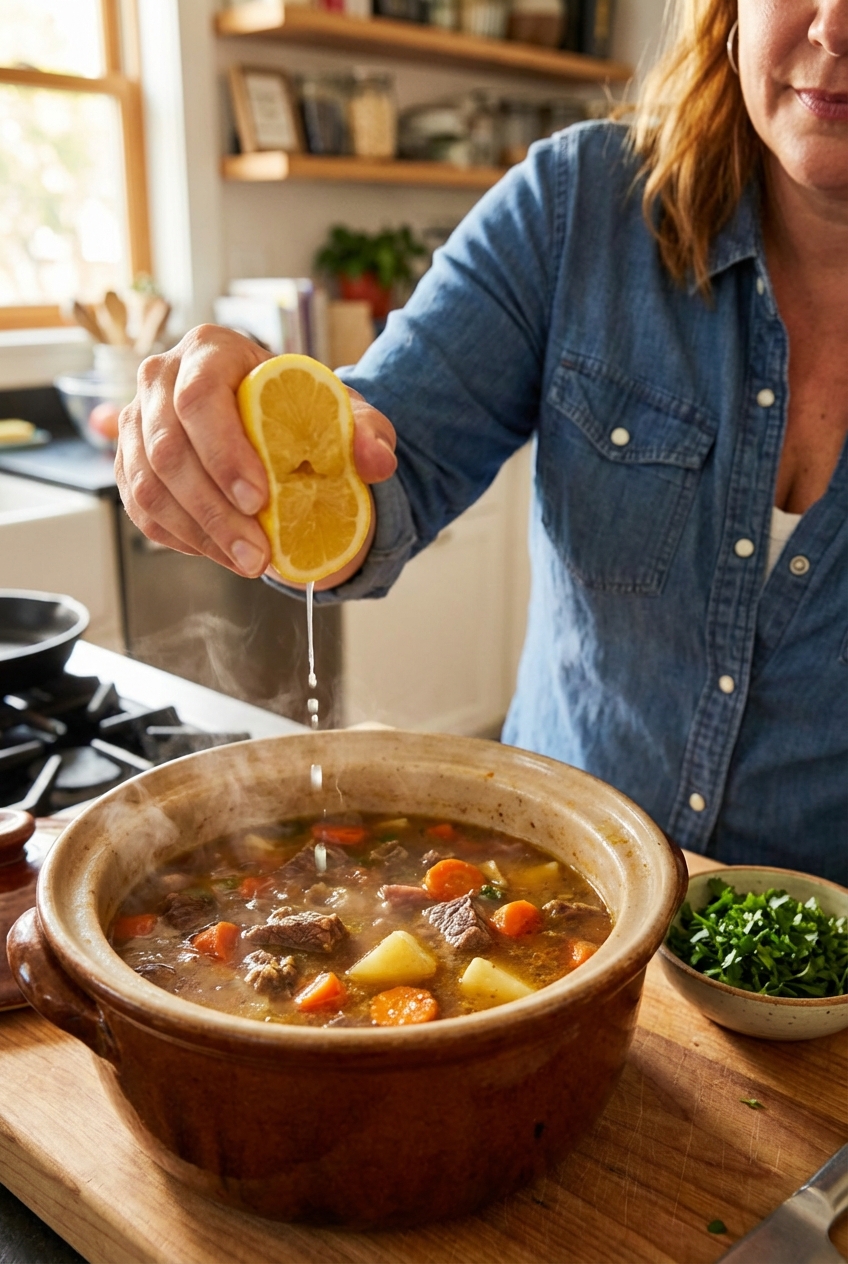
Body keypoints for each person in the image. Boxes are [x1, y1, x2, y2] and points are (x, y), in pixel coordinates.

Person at [116, 0, 847, 883]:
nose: (836, 28)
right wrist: (245, 434)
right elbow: (382, 461)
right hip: (549, 904)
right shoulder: (577, 205)